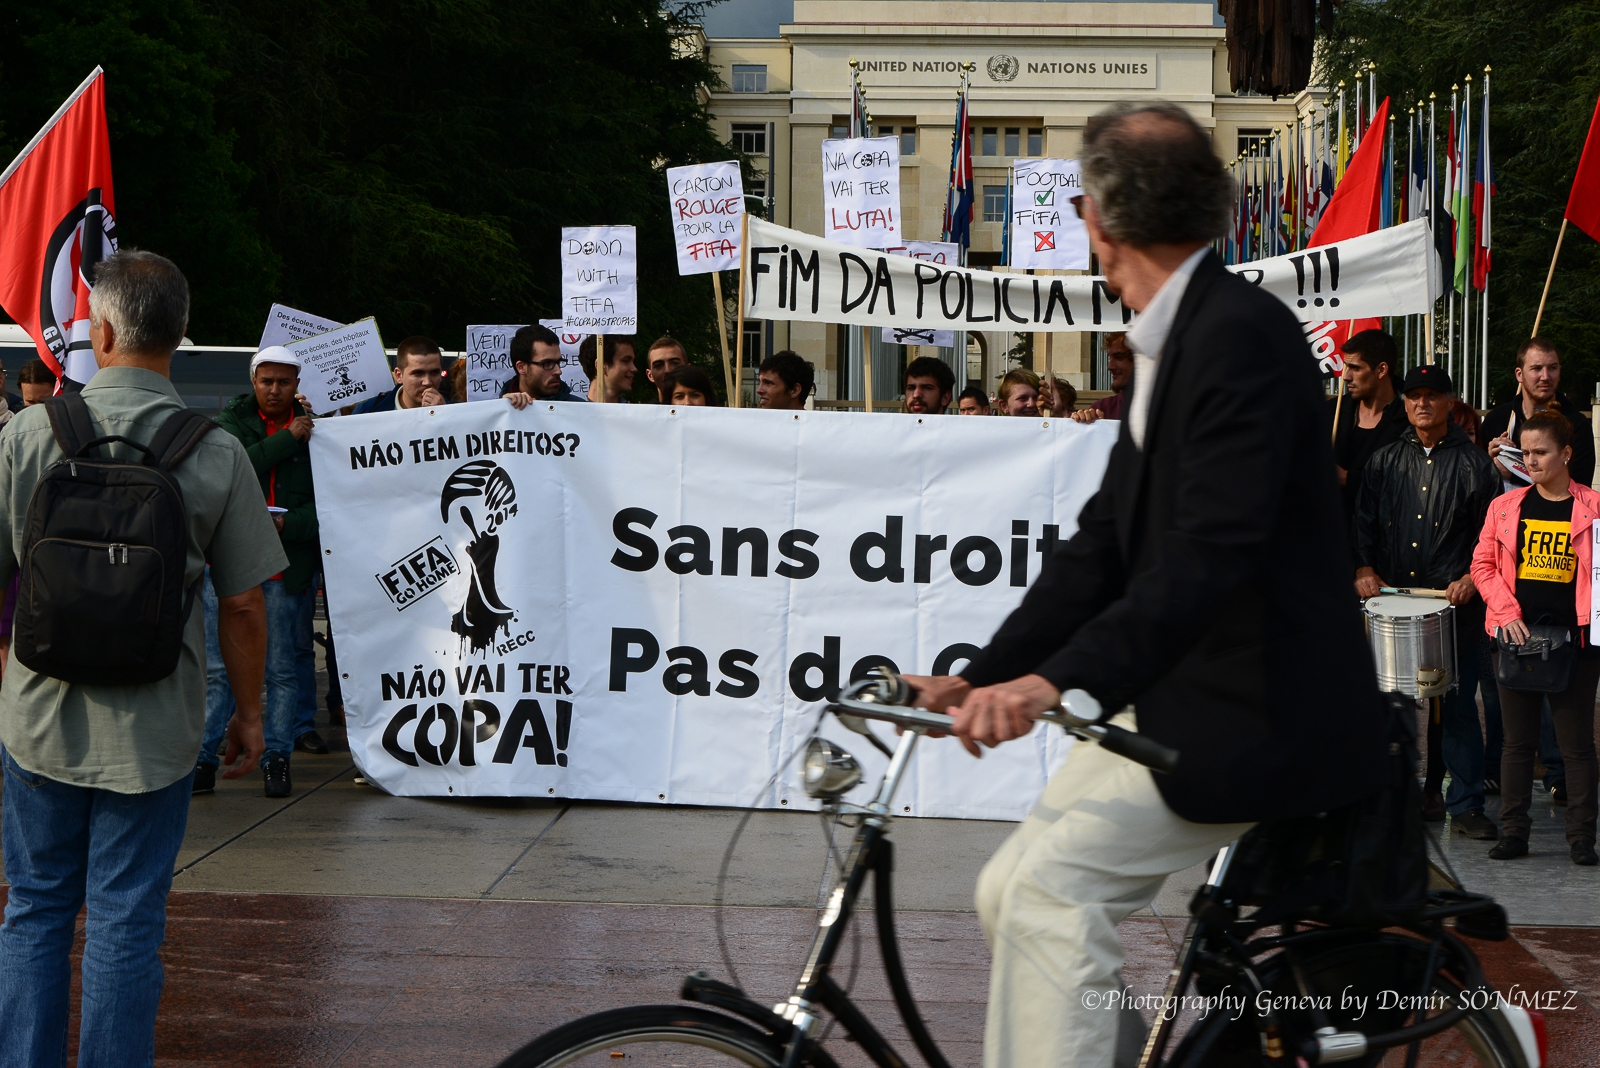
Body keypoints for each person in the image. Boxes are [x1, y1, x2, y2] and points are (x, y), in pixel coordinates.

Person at [903, 102, 1385, 1068]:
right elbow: (1107, 543)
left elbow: (1206, 559)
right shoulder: (1178, 333)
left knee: (1050, 895)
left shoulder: (1236, 335)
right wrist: (982, 672)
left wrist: (1049, 686)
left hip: (1258, 712)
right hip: (1192, 700)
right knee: (1010, 894)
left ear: (1097, 217)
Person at [0, 250, 285, 1065]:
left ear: (100, 329)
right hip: (155, 728)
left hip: (39, 720)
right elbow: (242, 602)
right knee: (126, 922)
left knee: (35, 909)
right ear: (182, 335)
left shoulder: (29, 432)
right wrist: (251, 713)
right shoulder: (215, 449)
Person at [1353, 363, 1499, 836]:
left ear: (1449, 403)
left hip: (1454, 608)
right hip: (1393, 607)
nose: (1421, 403)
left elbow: (1490, 537)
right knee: (1390, 709)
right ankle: (1388, 797)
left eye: (1431, 396)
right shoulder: (1384, 458)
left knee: (1456, 708)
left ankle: (1467, 804)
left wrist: (1471, 579)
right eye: (1413, 395)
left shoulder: (1476, 464)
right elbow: (1364, 522)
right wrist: (1363, 567)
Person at [1471, 410, 1600, 865]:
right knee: (1516, 744)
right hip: (1516, 640)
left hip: (1577, 644)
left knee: (1576, 745)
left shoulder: (1593, 506)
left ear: (1566, 454)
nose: (1530, 460)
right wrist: (1505, 613)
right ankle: (1513, 833)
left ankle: (1582, 838)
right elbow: (1482, 565)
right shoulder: (1504, 507)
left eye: (1540, 452)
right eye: (1525, 452)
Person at [195, 345, 324, 795]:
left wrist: (288, 524)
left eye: (284, 382)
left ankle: (277, 758)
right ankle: (203, 761)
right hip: (228, 567)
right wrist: (289, 437)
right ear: (253, 382)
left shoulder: (319, 433)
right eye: (266, 381)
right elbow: (239, 468)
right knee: (216, 669)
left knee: (283, 669)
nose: (274, 389)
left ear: (297, 385)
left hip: (285, 569)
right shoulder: (228, 424)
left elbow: (327, 505)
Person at [1483, 337, 1595, 488]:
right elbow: (1477, 489)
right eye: (1536, 368)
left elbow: (1579, 488)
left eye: (1552, 368)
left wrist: (1513, 471)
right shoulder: (1496, 420)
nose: (1545, 377)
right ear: (1519, 374)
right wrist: (1490, 468)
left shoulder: (1576, 425)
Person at [1330, 329, 1407, 516]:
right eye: (1347, 367)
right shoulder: (1332, 413)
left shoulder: (1411, 420)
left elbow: (1415, 480)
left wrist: (1350, 479)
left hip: (1385, 535)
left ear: (1381, 370)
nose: (1346, 376)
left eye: (1355, 368)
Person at [352, 336, 450, 413]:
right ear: (399, 375)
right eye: (418, 373)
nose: (427, 382)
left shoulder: (454, 412)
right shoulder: (368, 411)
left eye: (434, 372)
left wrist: (445, 416)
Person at [503, 324, 586, 403]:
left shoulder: (579, 410)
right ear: (521, 367)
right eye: (547, 364)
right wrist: (503, 409)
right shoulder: (500, 412)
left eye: (558, 362)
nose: (558, 371)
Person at [1071, 333, 1132, 423]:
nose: (1110, 366)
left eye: (1119, 357)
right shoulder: (1102, 408)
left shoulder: (1159, 409)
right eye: (1110, 358)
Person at [580, 335, 638, 403]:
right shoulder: (570, 412)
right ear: (601, 365)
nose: (634, 369)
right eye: (626, 360)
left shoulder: (634, 413)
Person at [645, 336, 689, 401]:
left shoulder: (705, 410)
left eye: (674, 363)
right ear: (650, 375)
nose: (667, 370)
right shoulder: (643, 411)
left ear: (688, 369)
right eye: (659, 365)